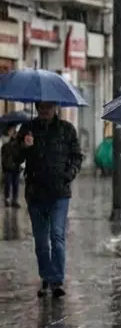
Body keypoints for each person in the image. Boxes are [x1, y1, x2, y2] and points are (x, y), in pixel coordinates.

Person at [16, 102, 83, 298]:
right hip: (35, 194)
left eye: (49, 107)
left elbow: (77, 156)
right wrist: (24, 146)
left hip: (59, 193)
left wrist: (67, 175)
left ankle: (57, 280)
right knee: (41, 242)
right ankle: (46, 277)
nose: (45, 110)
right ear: (37, 108)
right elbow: (14, 159)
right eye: (41, 107)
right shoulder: (28, 128)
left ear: (55, 108)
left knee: (57, 236)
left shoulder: (66, 129)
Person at [2, 126, 23, 207]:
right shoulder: (6, 145)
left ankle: (14, 200)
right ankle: (7, 199)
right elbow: (3, 157)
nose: (14, 134)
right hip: (8, 167)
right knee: (8, 184)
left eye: (15, 133)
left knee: (15, 185)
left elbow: (20, 156)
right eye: (12, 132)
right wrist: (4, 168)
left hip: (16, 167)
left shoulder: (19, 144)